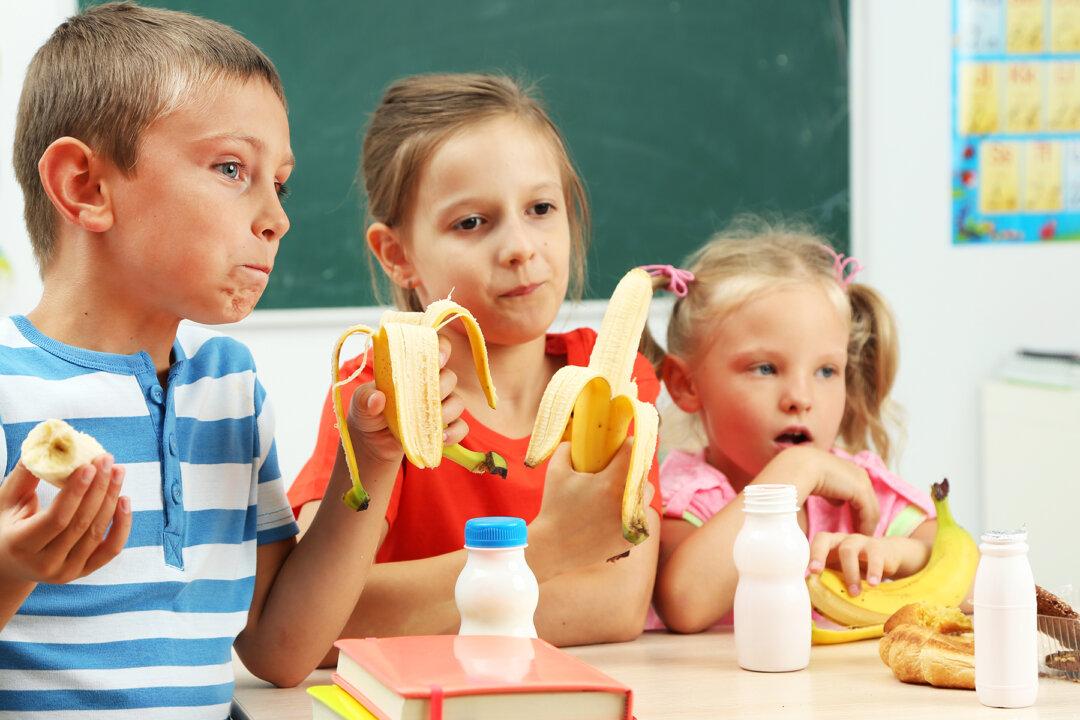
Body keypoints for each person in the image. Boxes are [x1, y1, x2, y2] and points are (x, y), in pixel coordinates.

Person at [0, 4, 455, 715]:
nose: (278, 217)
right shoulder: (8, 388)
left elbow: (280, 650)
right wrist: (9, 570)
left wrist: (370, 462)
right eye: (231, 168)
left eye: (280, 182)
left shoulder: (228, 388)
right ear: (86, 187)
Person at [288, 73, 661, 654]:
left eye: (541, 208)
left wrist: (415, 607)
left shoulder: (612, 380)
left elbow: (616, 603)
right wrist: (552, 547)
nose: (520, 247)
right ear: (398, 255)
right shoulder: (373, 397)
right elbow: (315, 620)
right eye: (471, 222)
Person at [649, 219, 937, 633]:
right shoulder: (686, 498)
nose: (800, 397)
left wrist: (903, 555)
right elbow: (684, 604)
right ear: (686, 384)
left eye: (826, 371)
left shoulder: (860, 490)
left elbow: (972, 576)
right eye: (765, 368)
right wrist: (797, 470)